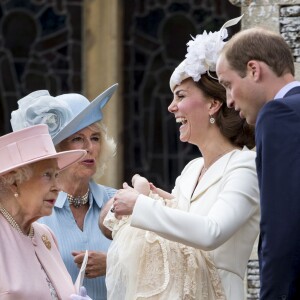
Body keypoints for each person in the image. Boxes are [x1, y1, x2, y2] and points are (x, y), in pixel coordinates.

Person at [101, 17, 260, 300]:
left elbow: (211, 233)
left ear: (213, 103)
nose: (171, 107)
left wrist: (141, 205)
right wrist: (163, 201)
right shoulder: (191, 170)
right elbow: (175, 239)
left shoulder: (246, 166)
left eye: (181, 96)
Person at [10, 84, 118, 300]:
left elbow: (154, 271)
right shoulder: (34, 210)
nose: (89, 147)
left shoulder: (119, 203)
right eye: (78, 138)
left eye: (95, 138)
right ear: (57, 150)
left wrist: (115, 265)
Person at [216, 27, 300, 300]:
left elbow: (281, 224)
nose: (228, 100)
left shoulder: (278, 114)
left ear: (254, 70)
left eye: (228, 84)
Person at [0, 124, 92, 299]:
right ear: (14, 182)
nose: (57, 187)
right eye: (47, 175)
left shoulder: (45, 236)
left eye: (57, 175)